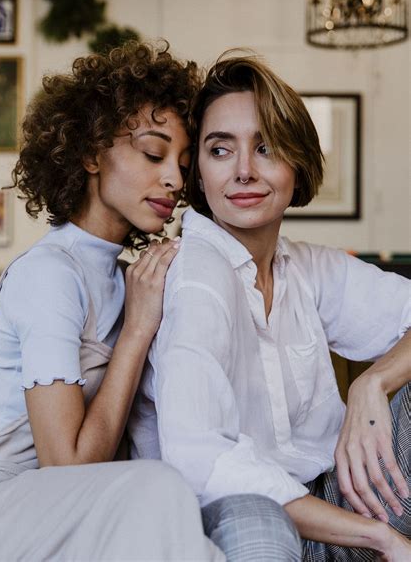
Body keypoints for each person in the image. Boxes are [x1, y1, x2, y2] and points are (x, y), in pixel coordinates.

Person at [0, 42, 224, 562]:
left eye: (183, 164)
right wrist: (136, 332)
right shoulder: (49, 275)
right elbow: (67, 467)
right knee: (157, 491)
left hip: (61, 507)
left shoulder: (126, 278)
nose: (175, 181)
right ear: (91, 153)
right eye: (154, 154)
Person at [129, 51, 411, 561]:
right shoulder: (195, 277)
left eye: (265, 147)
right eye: (220, 150)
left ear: (296, 162)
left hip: (335, 502)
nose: (243, 171)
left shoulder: (304, 268)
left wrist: (375, 381)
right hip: (232, 519)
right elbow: (198, 460)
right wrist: (378, 536)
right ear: (198, 175)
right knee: (259, 522)